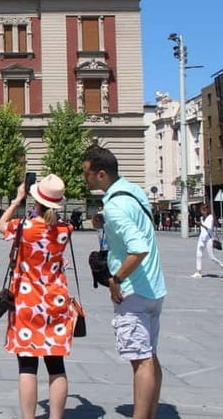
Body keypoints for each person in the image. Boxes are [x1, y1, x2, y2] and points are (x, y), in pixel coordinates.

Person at [83, 146, 166, 419]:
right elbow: (140, 226)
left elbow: (139, 247)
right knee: (150, 356)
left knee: (140, 361)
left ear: (101, 174)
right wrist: (104, 222)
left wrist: (117, 279)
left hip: (133, 291)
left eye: (87, 173)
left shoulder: (115, 205)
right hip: (154, 287)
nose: (85, 178)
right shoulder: (133, 191)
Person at [0, 174, 75, 419]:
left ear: (35, 200)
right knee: (56, 366)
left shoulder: (23, 228)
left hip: (26, 302)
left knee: (28, 366)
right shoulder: (65, 230)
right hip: (55, 302)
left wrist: (17, 199)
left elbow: (0, 225)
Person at [192, 203, 223, 278]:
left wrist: (201, 224)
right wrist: (199, 224)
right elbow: (202, 228)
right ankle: (198, 272)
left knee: (212, 257)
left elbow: (209, 228)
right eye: (201, 211)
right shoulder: (201, 218)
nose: (202, 212)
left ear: (207, 210)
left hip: (209, 239)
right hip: (201, 238)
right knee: (198, 254)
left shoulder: (210, 217)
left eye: (203, 210)